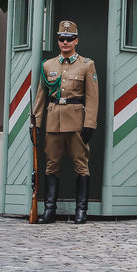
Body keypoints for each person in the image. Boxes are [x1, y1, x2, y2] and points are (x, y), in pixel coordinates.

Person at [32, 20, 99, 224]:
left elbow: (92, 97)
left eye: (69, 39)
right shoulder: (48, 65)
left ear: (76, 40)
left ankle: (81, 211)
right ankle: (50, 210)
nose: (65, 42)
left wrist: (90, 124)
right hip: (53, 120)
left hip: (77, 121)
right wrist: (36, 123)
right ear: (58, 41)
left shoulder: (87, 64)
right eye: (62, 39)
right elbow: (41, 96)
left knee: (81, 165)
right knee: (51, 166)